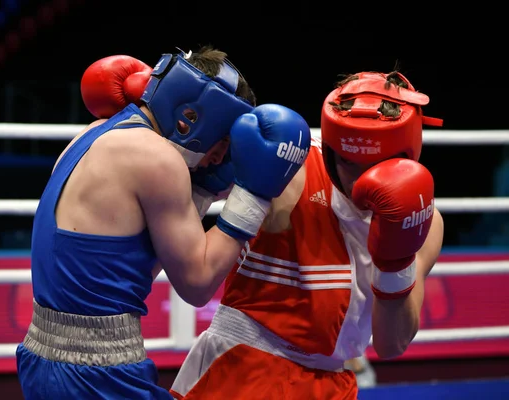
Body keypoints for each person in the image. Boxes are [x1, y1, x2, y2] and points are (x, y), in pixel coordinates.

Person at [15, 46, 312, 400]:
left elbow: (130, 267)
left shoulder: (94, 132)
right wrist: (253, 194)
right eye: (224, 140)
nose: (219, 156)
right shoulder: (158, 159)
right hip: (98, 373)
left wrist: (201, 192)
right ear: (199, 115)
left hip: (40, 359)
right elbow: (197, 285)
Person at [170, 70, 445, 399]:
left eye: (374, 164)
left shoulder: (422, 222)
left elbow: (391, 343)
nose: (359, 181)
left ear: (407, 153)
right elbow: (175, 187)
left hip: (334, 382)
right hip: (243, 367)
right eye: (347, 161)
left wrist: (394, 264)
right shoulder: (292, 166)